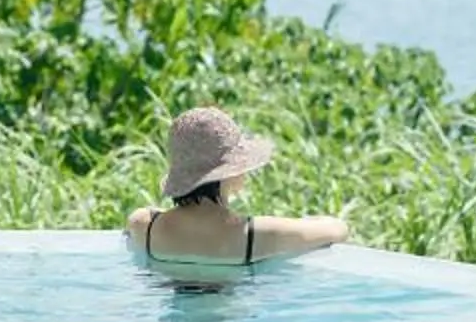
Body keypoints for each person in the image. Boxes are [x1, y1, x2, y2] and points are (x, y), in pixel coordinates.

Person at [126, 106, 348, 267]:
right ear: (228, 174)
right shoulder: (255, 234)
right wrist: (304, 222)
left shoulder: (143, 224)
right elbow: (338, 229)